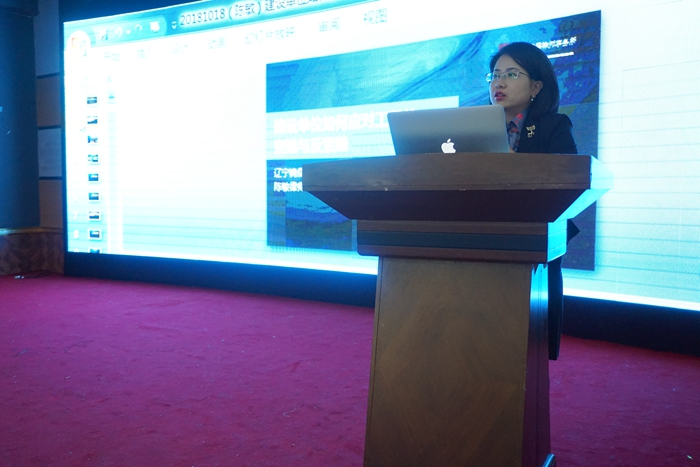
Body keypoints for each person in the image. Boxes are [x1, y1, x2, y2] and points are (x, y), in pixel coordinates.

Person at [486, 41, 578, 360]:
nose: (499, 83)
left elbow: (568, 179)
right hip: (482, 238)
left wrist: (514, 164)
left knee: (525, 350)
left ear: (536, 86)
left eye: (511, 74)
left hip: (533, 241)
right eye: (495, 75)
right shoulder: (474, 129)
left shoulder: (554, 126)